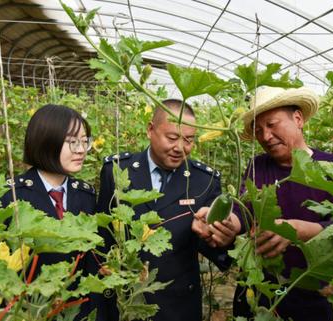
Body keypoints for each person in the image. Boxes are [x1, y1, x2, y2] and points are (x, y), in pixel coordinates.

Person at [194, 87, 333, 321]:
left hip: (310, 290)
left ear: (298, 119)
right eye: (258, 130)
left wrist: (296, 230)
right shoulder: (258, 165)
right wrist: (225, 225)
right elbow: (242, 213)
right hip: (258, 287)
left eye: (272, 125)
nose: (265, 136)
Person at [97, 99, 237, 321]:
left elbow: (217, 250)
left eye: (188, 140)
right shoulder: (116, 170)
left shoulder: (204, 180)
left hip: (177, 305)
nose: (180, 148)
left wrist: (221, 237)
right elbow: (102, 238)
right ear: (150, 130)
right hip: (122, 302)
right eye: (172, 138)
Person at [0, 104, 115, 321]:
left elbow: (92, 266)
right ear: (45, 140)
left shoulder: (85, 194)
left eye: (85, 141)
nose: (81, 149)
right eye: (72, 142)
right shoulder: (9, 197)